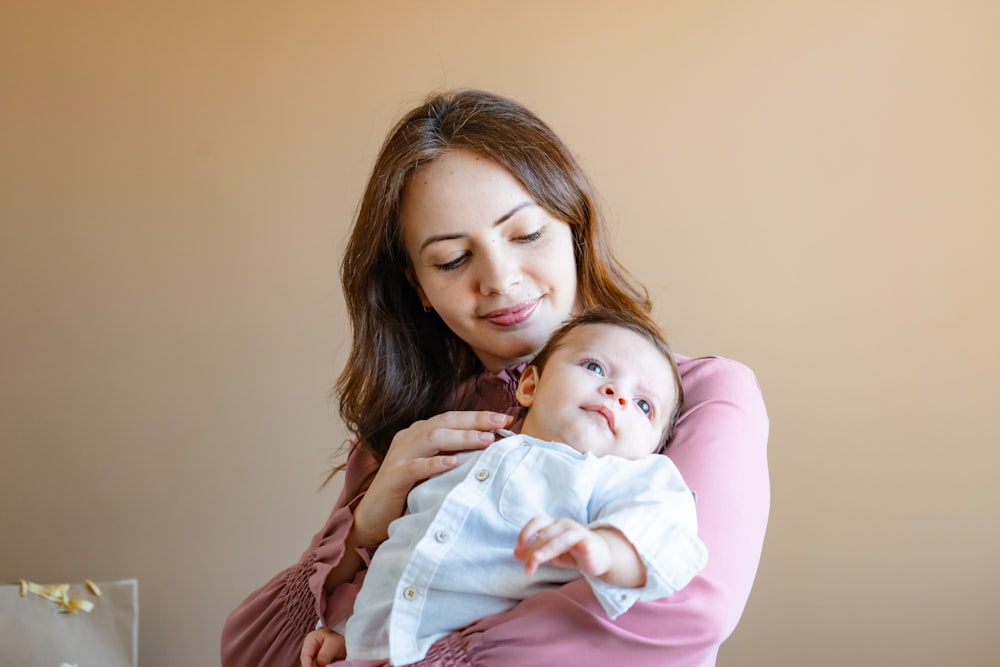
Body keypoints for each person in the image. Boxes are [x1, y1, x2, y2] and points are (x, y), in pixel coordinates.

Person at [221, 88, 770, 667]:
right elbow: (251, 654)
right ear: (419, 288)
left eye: (527, 234)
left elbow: (685, 606)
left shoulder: (699, 396)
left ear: (575, 230)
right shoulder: (412, 437)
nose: (502, 280)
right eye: (453, 259)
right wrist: (360, 531)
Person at [301, 308, 709, 666]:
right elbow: (405, 552)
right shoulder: (466, 448)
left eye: (644, 405)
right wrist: (348, 633)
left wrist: (604, 548)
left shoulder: (625, 478)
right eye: (595, 368)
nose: (616, 393)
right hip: (374, 649)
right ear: (529, 386)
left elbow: (667, 537)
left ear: (653, 448)